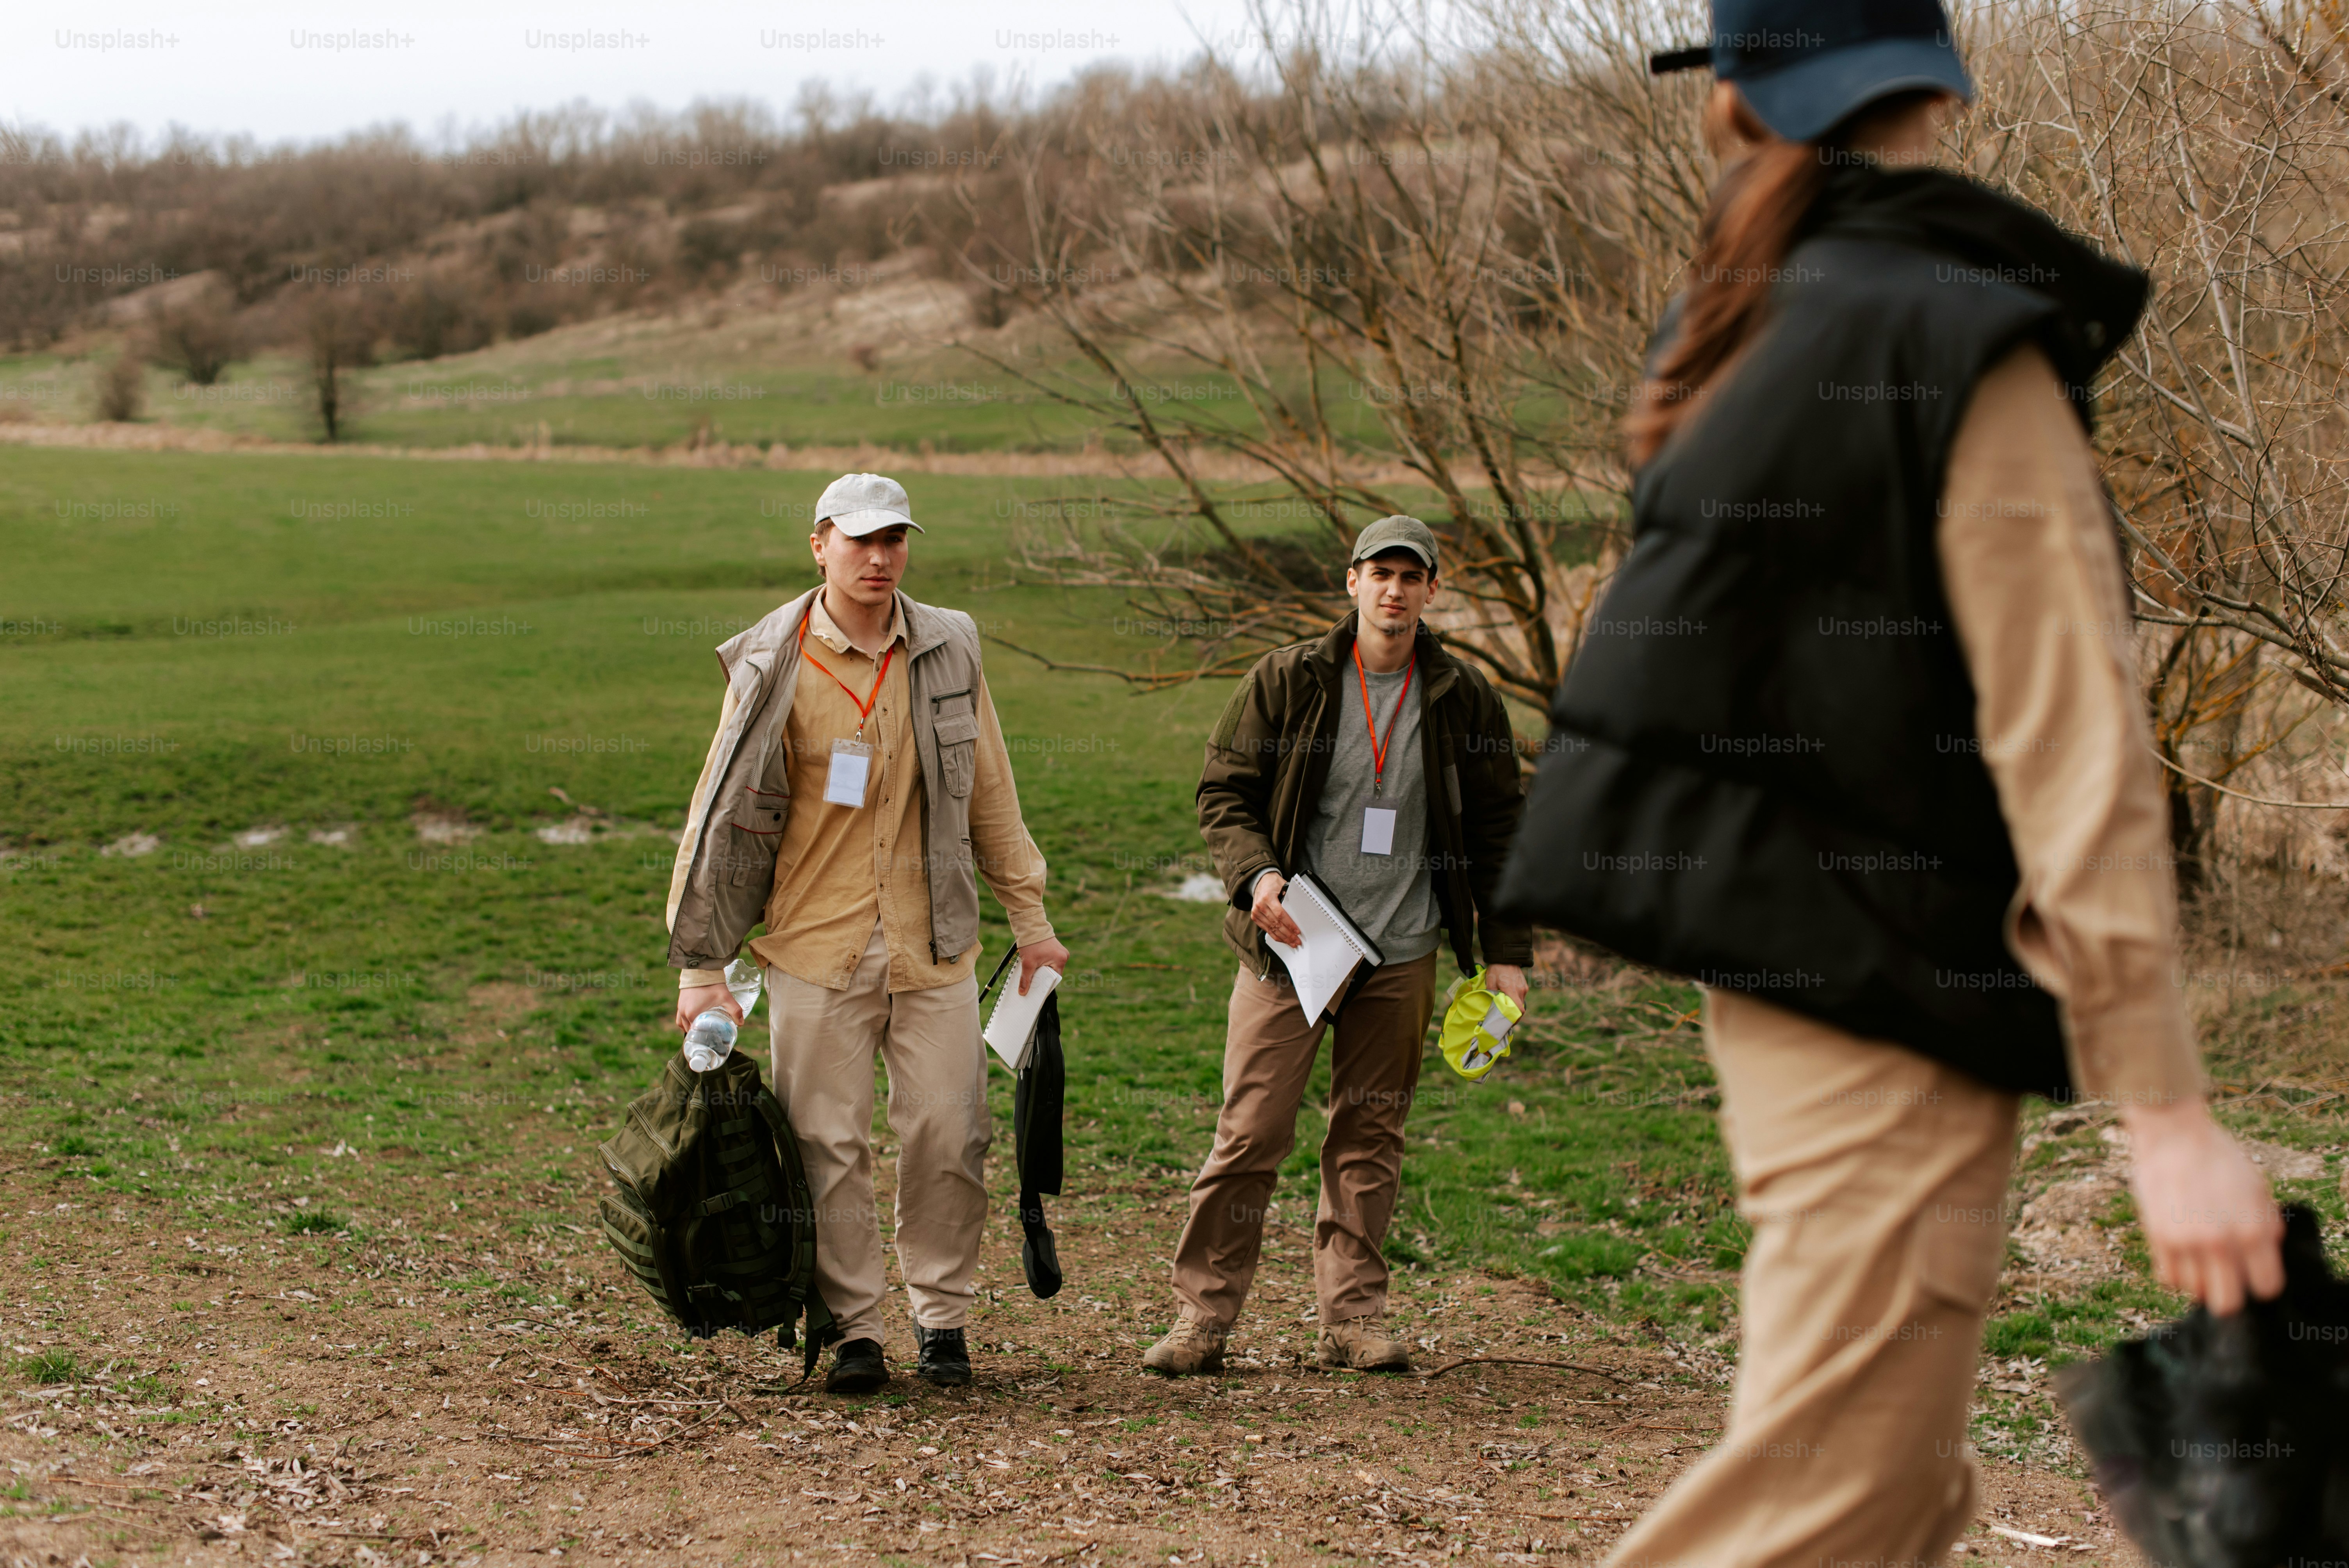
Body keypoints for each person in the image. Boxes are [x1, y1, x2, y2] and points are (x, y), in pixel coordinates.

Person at [1494, 0, 2287, 1560]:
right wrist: (2168, 1112)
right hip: (1882, 1006)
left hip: (1797, 986)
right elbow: (2069, 735)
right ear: (1937, 83)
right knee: (1833, 1497)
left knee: (1900, 1489)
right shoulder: (1949, 330)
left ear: (1740, 98)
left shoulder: (1758, 317)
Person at [665, 472, 1070, 1394]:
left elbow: (991, 792)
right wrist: (699, 967)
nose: (879, 557)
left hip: (934, 943)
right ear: (819, 545)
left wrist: (1031, 920)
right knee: (825, 1146)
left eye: (894, 539)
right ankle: (853, 1329)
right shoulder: (770, 660)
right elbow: (718, 818)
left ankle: (942, 1317)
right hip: (813, 946)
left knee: (949, 1133)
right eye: (860, 540)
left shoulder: (949, 646)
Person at [1143, 515, 1533, 1376]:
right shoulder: (1290, 678)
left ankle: (1351, 1320)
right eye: (1379, 573)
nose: (1394, 590)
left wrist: (1507, 951)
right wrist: (1256, 877)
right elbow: (1224, 792)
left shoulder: (1462, 695)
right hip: (1294, 947)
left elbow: (1501, 828)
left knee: (1370, 1133)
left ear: (1432, 590)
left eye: (1410, 576)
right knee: (1250, 1132)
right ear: (1351, 582)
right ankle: (1201, 1317)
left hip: (1404, 950)